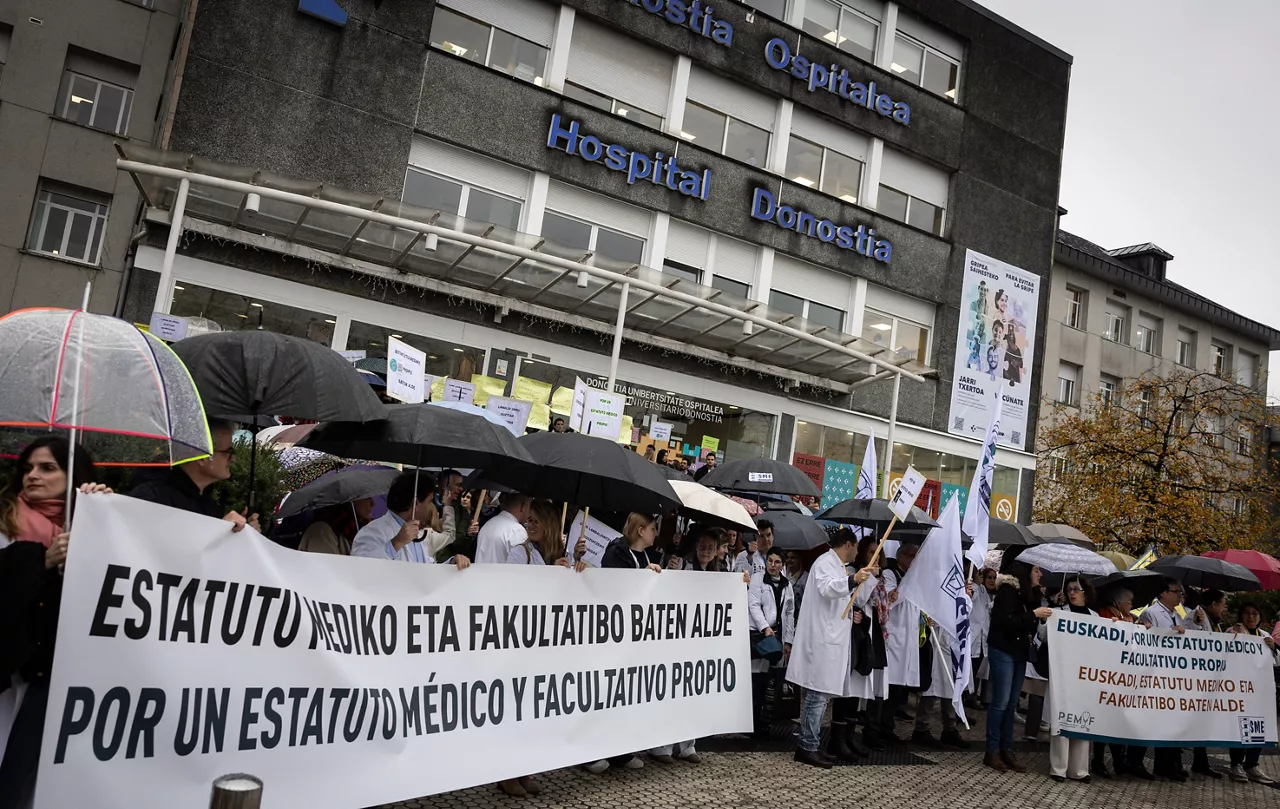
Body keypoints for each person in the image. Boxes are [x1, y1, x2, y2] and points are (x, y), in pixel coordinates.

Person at [0, 436, 111, 808]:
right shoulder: (5, 519)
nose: (32, 475)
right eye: (28, 467)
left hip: (66, 675)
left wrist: (104, 513)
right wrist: (41, 562)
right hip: (15, 679)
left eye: (47, 467)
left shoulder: (90, 517)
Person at [786, 527, 878, 768]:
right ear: (847, 544)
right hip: (821, 641)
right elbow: (828, 588)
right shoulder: (825, 562)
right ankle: (807, 746)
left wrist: (862, 588)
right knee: (816, 695)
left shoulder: (839, 567)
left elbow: (848, 600)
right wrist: (852, 579)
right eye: (856, 546)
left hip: (833, 640)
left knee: (820, 695)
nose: (857, 551)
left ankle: (811, 743)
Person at [588, 513, 664, 773]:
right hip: (612, 636)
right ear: (641, 530)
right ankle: (591, 753)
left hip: (634, 639)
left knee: (626, 696)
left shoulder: (644, 556)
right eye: (653, 529)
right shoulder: (615, 552)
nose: (656, 534)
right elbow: (612, 588)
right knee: (606, 695)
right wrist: (642, 576)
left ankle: (621, 751)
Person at [128, 418, 258, 532]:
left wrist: (241, 535)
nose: (233, 458)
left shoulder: (206, 503)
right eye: (228, 451)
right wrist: (217, 532)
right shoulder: (152, 498)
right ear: (201, 456)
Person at [984, 566, 1053, 773]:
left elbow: (1028, 624)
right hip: (1003, 649)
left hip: (1019, 652)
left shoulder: (1027, 595)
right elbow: (1005, 621)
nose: (1040, 575)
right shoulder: (1007, 591)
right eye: (1036, 571)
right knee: (1001, 702)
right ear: (1025, 572)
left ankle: (1007, 749)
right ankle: (992, 750)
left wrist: (1040, 610)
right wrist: (1033, 614)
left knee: (1012, 703)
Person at [1134, 577, 1190, 782]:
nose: (1180, 596)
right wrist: (1169, 633)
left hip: (1173, 676)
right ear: (1164, 593)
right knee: (1149, 720)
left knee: (1169, 722)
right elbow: (1148, 640)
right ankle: (1136, 761)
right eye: (1177, 592)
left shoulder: (1179, 615)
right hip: (1154, 675)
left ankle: (1167, 764)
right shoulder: (1152, 613)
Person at [350, 471, 466, 567]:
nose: (431, 507)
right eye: (429, 501)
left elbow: (425, 568)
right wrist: (396, 543)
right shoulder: (372, 532)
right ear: (415, 503)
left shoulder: (417, 534)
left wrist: (450, 564)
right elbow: (359, 568)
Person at [848, 535, 891, 755]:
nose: (875, 556)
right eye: (870, 551)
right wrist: (869, 578)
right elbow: (859, 600)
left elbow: (884, 607)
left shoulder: (883, 577)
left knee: (879, 686)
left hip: (878, 633)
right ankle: (850, 732)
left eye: (878, 551)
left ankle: (873, 731)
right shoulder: (856, 574)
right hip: (862, 632)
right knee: (858, 684)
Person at [1048, 579, 1094, 783]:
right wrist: (1050, 615)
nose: (1072, 593)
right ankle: (1058, 768)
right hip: (1064, 673)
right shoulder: (1060, 611)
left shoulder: (1095, 617)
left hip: (1085, 675)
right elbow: (1043, 635)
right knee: (1062, 719)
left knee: (1084, 721)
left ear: (1086, 593)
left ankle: (1079, 770)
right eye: (1069, 589)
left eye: (1076, 589)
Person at [1227, 602, 1278, 784]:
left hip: (1260, 691)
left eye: (1255, 613)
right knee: (1239, 727)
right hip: (1240, 690)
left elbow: (1277, 662)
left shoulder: (1264, 636)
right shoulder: (1232, 632)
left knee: (1257, 727)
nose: (1251, 617)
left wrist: (1273, 648)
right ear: (1241, 616)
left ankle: (1252, 765)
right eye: (1247, 613)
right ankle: (1236, 764)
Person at [749, 548, 795, 740]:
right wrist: (765, 628)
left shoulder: (787, 585)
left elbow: (790, 613)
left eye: (777, 562)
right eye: (770, 561)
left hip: (777, 636)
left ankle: (766, 721)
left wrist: (788, 641)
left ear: (783, 564)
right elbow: (753, 605)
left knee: (771, 680)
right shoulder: (758, 579)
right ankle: (752, 724)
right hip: (760, 635)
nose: (773, 566)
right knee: (755, 680)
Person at [1093, 588, 1137, 778]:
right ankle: (1099, 760)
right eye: (1129, 602)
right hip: (1107, 673)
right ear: (1119, 603)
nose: (1132, 606)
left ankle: (1119, 760)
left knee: (1118, 719)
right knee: (1104, 719)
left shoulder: (1130, 618)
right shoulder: (1105, 613)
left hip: (1123, 676)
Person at [1187, 589, 1228, 780]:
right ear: (1213, 604)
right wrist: (1195, 622)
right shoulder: (1197, 615)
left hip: (1208, 680)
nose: (1225, 609)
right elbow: (1190, 639)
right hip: (1194, 680)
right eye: (1223, 604)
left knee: (1202, 723)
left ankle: (1200, 761)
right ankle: (1187, 762)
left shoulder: (1214, 623)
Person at [882, 543, 921, 743]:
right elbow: (890, 600)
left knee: (899, 688)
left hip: (909, 639)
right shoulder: (890, 574)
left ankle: (889, 726)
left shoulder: (914, 579)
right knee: (888, 686)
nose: (915, 561)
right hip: (894, 638)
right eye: (912, 556)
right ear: (901, 557)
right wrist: (908, 581)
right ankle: (883, 728)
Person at [297, 498, 373, 555]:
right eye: (368, 498)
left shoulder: (357, 530)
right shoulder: (321, 531)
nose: (373, 503)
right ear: (350, 500)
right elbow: (326, 571)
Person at [475, 493, 532, 564]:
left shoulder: (488, 524)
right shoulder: (516, 530)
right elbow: (522, 563)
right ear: (523, 507)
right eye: (529, 506)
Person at [968, 567, 997, 707]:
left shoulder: (985, 591)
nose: (992, 580)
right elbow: (971, 600)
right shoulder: (974, 588)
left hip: (981, 639)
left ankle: (971, 698)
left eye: (994, 578)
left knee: (975, 672)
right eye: (989, 577)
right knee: (969, 672)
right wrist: (975, 585)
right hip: (972, 636)